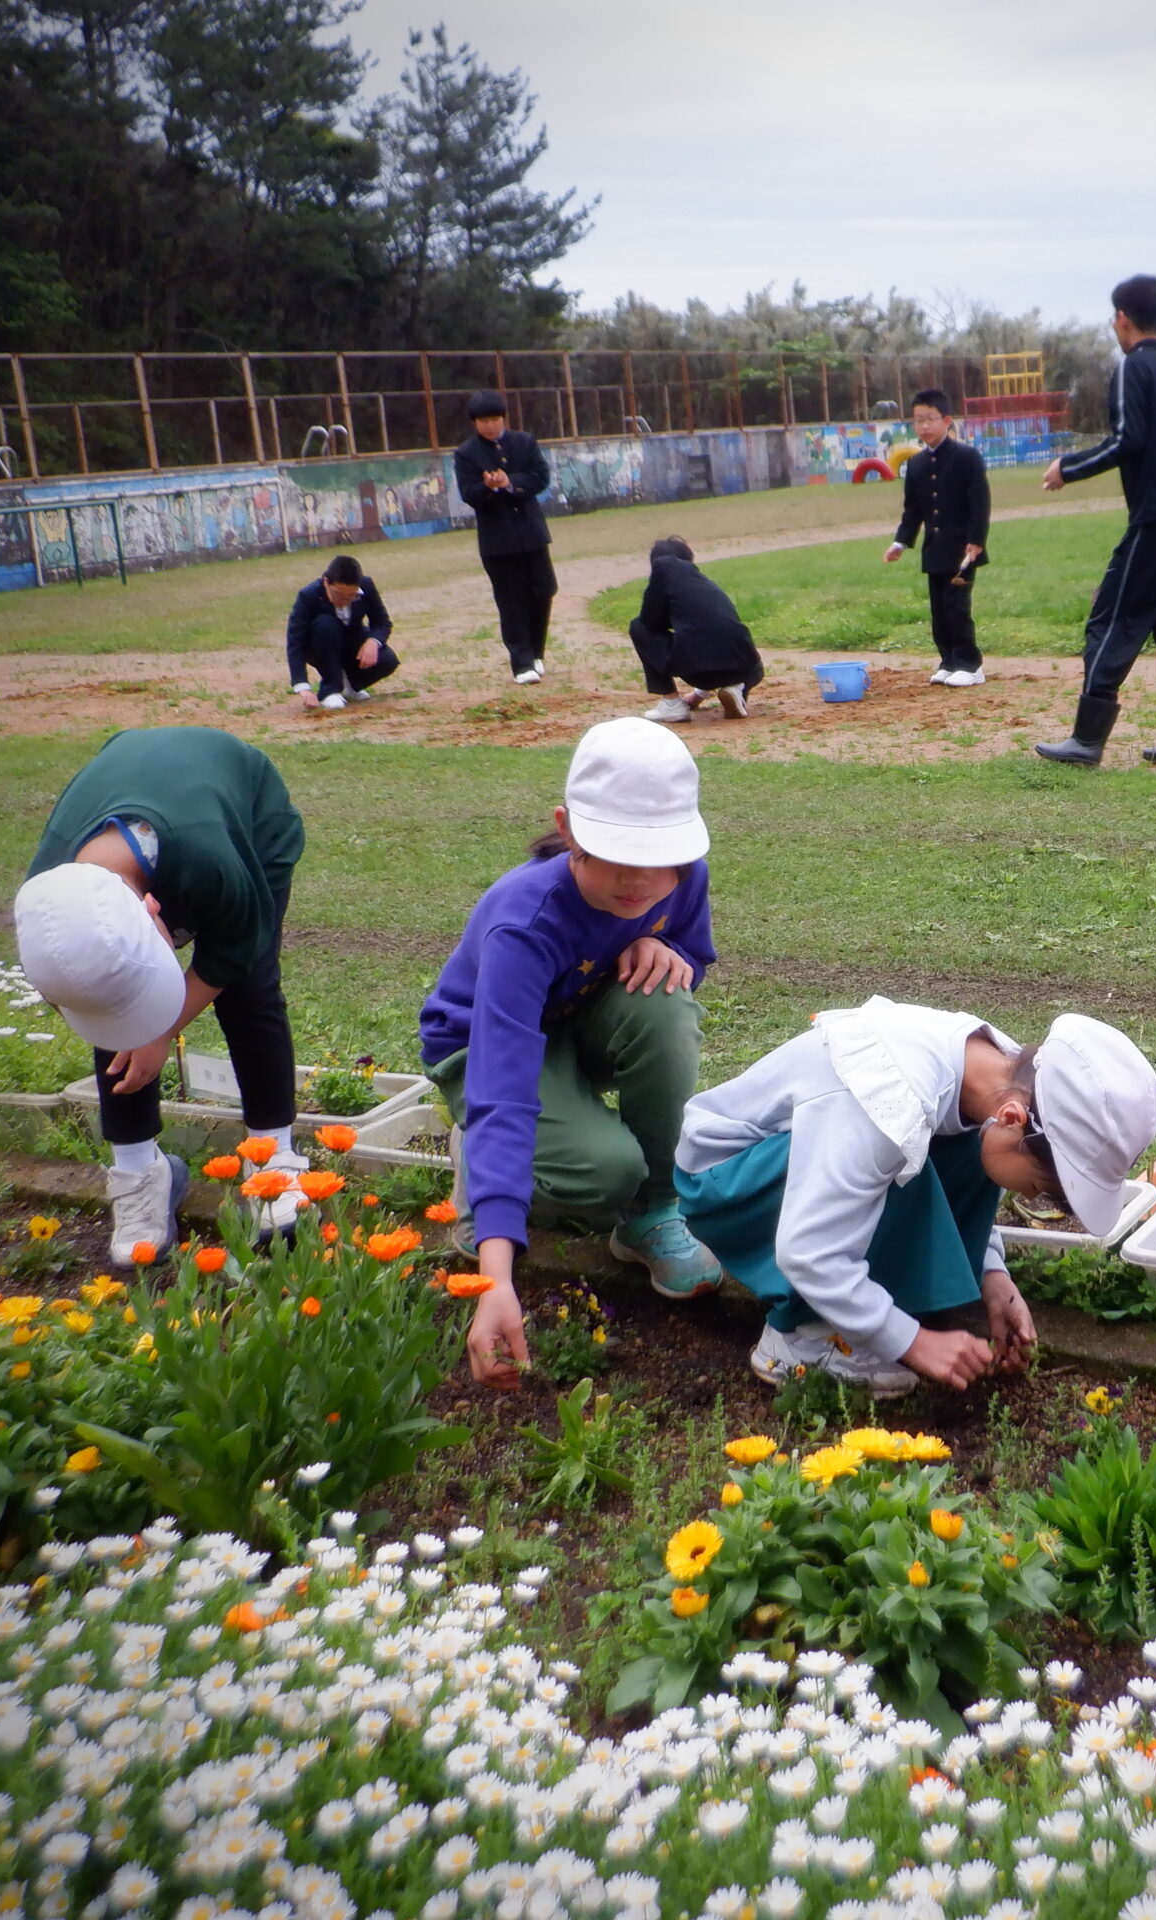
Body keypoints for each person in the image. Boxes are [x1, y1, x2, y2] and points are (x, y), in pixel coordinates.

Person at [674, 998, 1156, 1397]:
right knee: (906, 1148)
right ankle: (800, 1336)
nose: (1034, 1195)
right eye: (1042, 1186)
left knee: (966, 1146)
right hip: (728, 1184)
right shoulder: (885, 1103)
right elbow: (808, 1251)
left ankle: (871, 1306)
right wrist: (913, 1342)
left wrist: (994, 1278)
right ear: (1015, 1119)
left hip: (813, 1167)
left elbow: (966, 1155)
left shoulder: (1001, 1074)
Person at [435, 719, 726, 1389]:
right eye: (617, 855)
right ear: (567, 830)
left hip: (578, 1019)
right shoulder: (524, 922)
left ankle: (653, 1212)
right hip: (488, 1054)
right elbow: (504, 1089)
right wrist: (495, 1278)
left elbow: (694, 954)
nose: (640, 879)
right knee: (603, 1173)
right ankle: (478, 1170)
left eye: (660, 856)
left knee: (667, 1004)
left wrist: (667, 949)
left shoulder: (682, 877)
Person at [14, 728, 307, 1263]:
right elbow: (80, 989)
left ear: (157, 911)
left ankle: (272, 1156)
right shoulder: (47, 903)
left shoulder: (211, 861)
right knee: (108, 993)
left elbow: (233, 953)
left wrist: (161, 1029)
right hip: (145, 801)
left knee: (250, 990)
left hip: (247, 816)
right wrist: (129, 1022)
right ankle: (138, 1170)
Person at [1034, 274, 1156, 768]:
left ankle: (1086, 739)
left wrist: (1068, 468)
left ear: (1122, 318)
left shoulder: (1133, 367)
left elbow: (1126, 439)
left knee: (1112, 618)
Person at [883, 389, 991, 686]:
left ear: (946, 421)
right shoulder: (916, 464)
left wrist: (976, 540)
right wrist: (900, 542)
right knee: (939, 610)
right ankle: (948, 661)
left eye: (930, 419)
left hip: (963, 550)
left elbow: (980, 502)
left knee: (957, 608)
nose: (924, 426)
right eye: (918, 420)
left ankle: (970, 665)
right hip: (934, 550)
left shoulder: (967, 457)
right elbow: (913, 510)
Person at [451, 389, 556, 686]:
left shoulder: (525, 442)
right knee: (511, 600)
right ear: (474, 423)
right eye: (482, 421)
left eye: (494, 419)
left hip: (532, 534)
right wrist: (488, 487)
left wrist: (511, 482)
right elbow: (468, 494)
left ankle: (536, 652)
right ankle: (521, 663)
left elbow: (541, 477)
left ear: (503, 418)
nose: (489, 425)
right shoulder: (466, 454)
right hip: (498, 542)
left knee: (544, 589)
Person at [628, 537, 765, 722]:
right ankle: (735, 689)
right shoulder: (704, 584)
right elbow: (710, 632)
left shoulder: (663, 571)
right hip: (747, 667)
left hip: (698, 672)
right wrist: (698, 695)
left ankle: (671, 704)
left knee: (638, 627)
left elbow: (649, 622)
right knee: (722, 639)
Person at [285, 554, 400, 710]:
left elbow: (382, 622)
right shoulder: (308, 595)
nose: (344, 601)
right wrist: (303, 687)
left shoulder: (367, 586)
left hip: (351, 641)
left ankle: (350, 686)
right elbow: (295, 641)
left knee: (388, 659)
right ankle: (330, 690)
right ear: (326, 582)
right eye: (339, 594)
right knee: (326, 623)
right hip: (321, 644)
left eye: (352, 596)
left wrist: (373, 642)